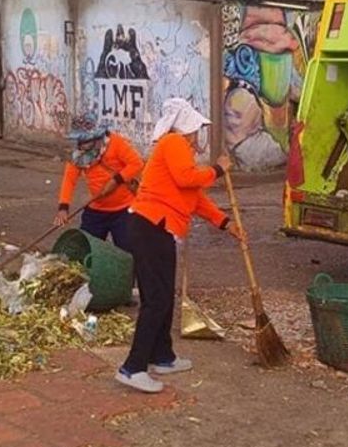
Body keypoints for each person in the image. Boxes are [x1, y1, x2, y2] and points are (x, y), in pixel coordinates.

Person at [118, 98, 243, 393]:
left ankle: (162, 356)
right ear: (187, 128)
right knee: (156, 300)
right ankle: (133, 367)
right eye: (197, 130)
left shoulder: (179, 151)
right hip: (151, 227)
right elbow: (187, 180)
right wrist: (219, 170)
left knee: (163, 297)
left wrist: (225, 223)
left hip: (157, 229)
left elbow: (196, 198)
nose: (198, 136)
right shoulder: (173, 143)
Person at [53, 111, 144, 251]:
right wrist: (63, 207)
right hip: (96, 210)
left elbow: (136, 163)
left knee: (128, 253)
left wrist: (116, 180)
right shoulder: (78, 155)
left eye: (85, 141)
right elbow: (69, 179)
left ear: (96, 137)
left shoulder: (116, 143)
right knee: (85, 250)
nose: (81, 145)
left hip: (124, 210)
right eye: (80, 141)